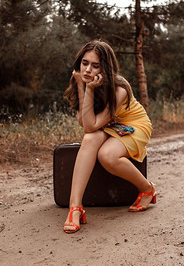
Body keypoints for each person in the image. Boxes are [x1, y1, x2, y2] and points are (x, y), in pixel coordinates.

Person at [62, 40, 155, 234]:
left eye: (95, 66)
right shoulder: (83, 81)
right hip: (111, 125)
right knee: (89, 140)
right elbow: (86, 126)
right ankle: (75, 208)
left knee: (107, 155)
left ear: (105, 68)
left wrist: (89, 89)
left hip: (134, 125)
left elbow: (92, 125)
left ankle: (147, 189)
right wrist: (83, 87)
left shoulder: (119, 89)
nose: (87, 70)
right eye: (84, 63)